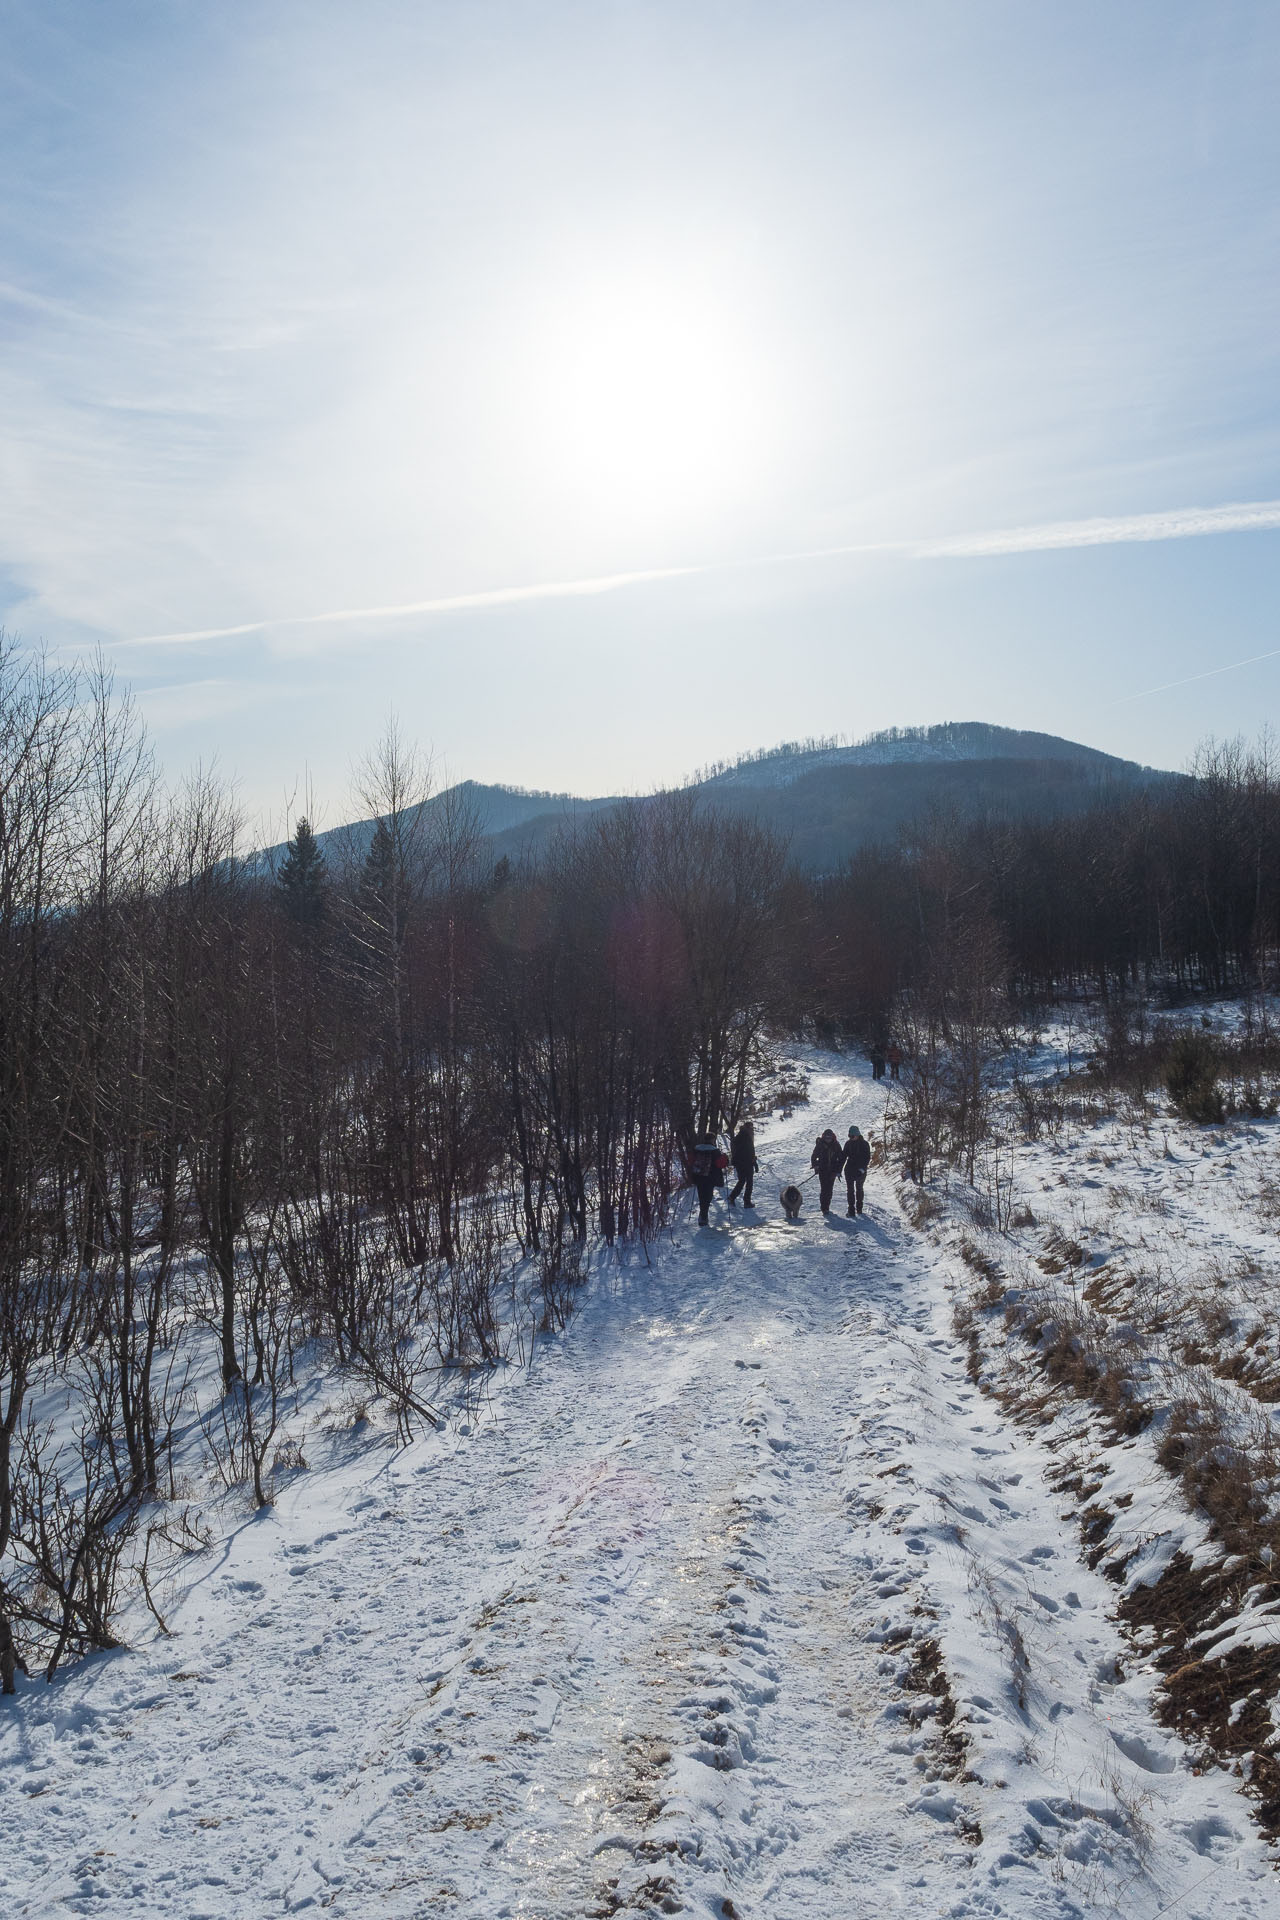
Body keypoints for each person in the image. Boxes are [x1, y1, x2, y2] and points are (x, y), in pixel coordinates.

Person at [686, 1139, 728, 1227]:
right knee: (708, 1197)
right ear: (712, 1140)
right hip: (710, 1178)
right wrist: (725, 1158)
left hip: (698, 1177)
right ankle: (703, 1217)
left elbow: (690, 1161)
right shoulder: (715, 1151)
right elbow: (721, 1164)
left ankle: (703, 1216)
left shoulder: (696, 1150)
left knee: (702, 1196)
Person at [810, 1128, 843, 1214]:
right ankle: (824, 1207)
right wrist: (816, 1166)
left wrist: (838, 1170)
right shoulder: (820, 1145)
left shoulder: (836, 1145)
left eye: (829, 1137)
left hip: (832, 1171)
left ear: (832, 1137)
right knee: (824, 1189)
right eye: (826, 1137)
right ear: (824, 1137)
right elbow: (814, 1156)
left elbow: (841, 1159)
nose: (828, 1139)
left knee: (829, 1189)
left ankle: (827, 1206)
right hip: (822, 1170)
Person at [727, 1121, 758, 1208]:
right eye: (751, 1128)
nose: (752, 1130)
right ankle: (747, 1202)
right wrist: (753, 1162)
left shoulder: (739, 1136)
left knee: (742, 1181)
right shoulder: (746, 1137)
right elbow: (749, 1152)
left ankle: (732, 1197)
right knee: (749, 1182)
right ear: (748, 1128)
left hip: (739, 1163)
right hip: (746, 1163)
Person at [841, 1125, 871, 1215]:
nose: (851, 1138)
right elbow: (843, 1157)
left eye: (852, 1136)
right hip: (849, 1170)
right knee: (850, 1190)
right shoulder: (848, 1144)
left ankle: (859, 1209)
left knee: (859, 1189)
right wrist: (838, 1170)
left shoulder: (864, 1144)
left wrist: (862, 1169)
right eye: (849, 1136)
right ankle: (851, 1209)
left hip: (860, 1171)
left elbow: (867, 1158)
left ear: (857, 1135)